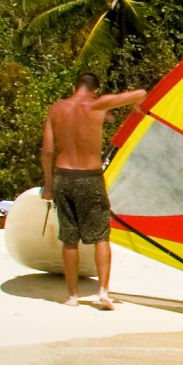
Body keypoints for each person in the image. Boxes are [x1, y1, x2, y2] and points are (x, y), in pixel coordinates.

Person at [41, 71, 146, 308]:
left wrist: (48, 184)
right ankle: (103, 293)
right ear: (95, 90)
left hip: (64, 177)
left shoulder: (55, 109)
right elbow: (141, 93)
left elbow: (47, 151)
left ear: (73, 87)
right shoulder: (99, 105)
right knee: (101, 237)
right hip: (91, 177)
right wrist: (136, 106)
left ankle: (72, 296)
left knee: (69, 239)